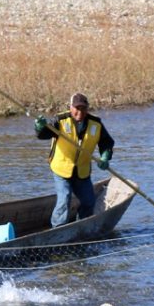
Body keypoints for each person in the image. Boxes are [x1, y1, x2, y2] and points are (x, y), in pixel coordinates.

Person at [35, 92, 115, 227]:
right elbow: (43, 135)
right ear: (70, 107)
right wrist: (40, 127)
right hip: (61, 169)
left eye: (83, 108)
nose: (80, 112)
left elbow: (107, 143)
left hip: (82, 171)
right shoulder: (60, 120)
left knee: (89, 201)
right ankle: (57, 229)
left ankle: (81, 225)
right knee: (64, 199)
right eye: (77, 108)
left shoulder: (96, 124)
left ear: (87, 108)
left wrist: (105, 157)